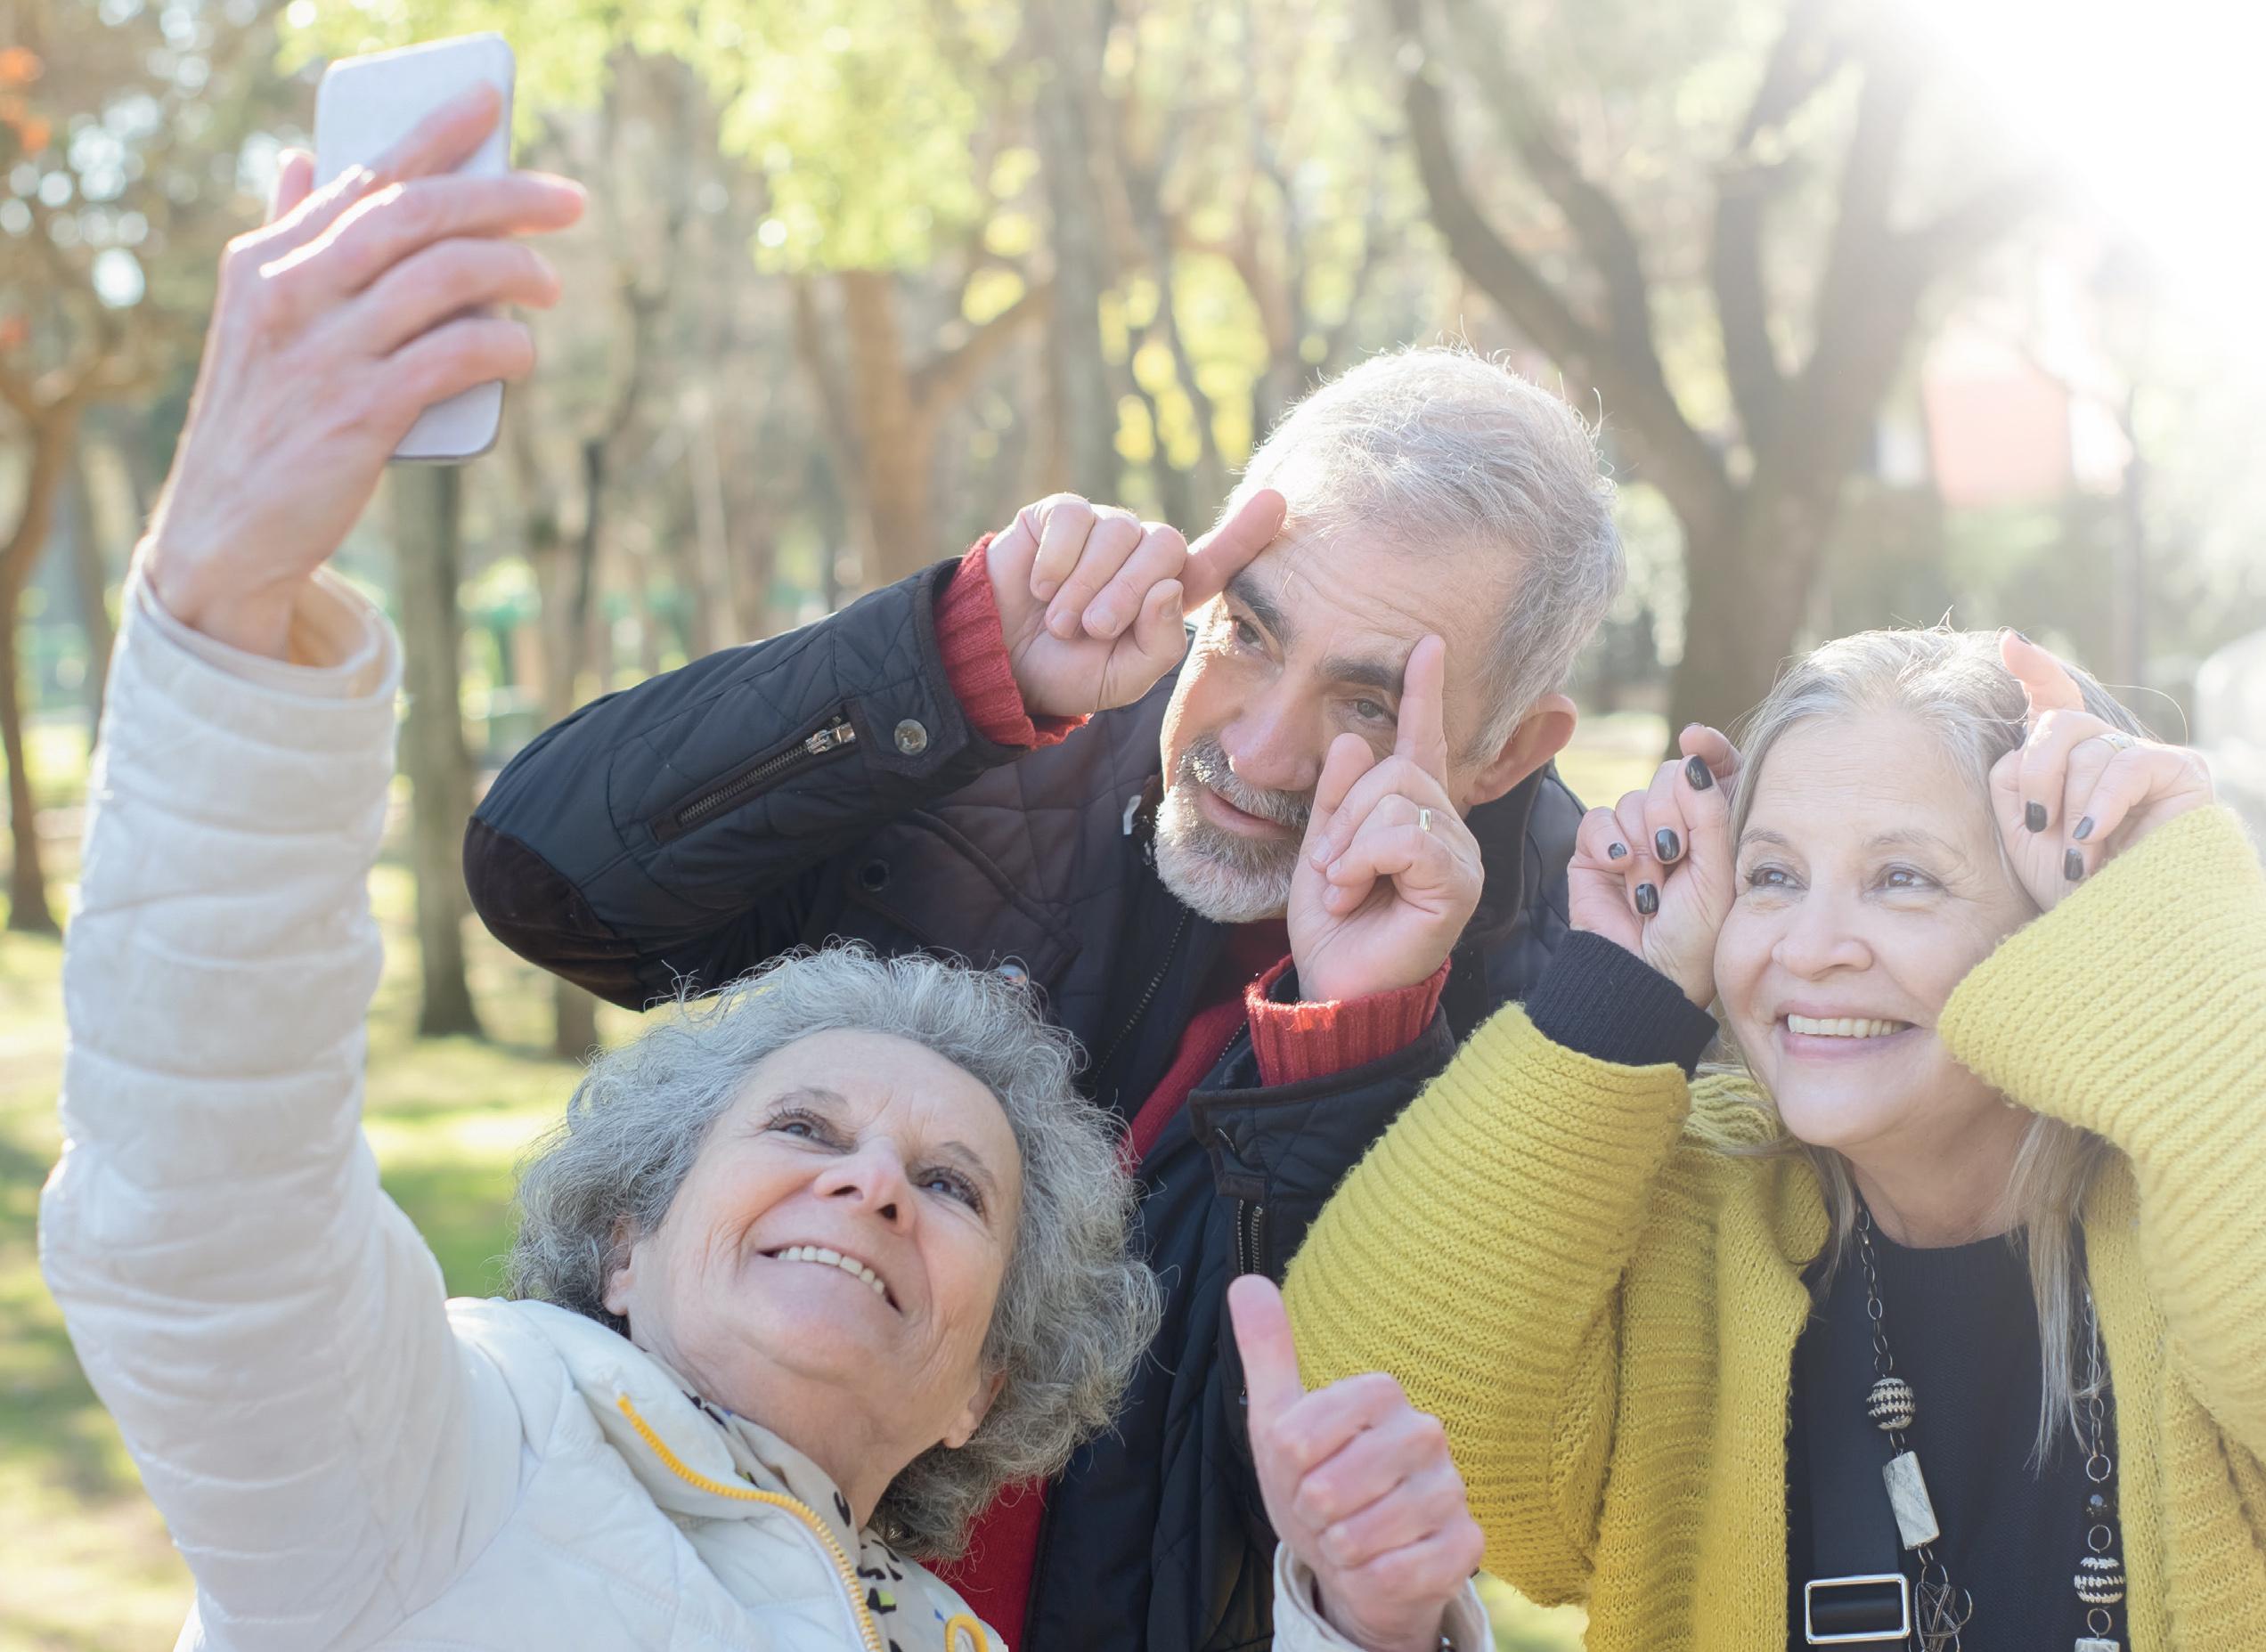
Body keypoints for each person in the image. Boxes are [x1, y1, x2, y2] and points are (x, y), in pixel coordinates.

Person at [37, 88, 1495, 1652]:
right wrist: (221, 595)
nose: (869, 1182)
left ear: (981, 1389)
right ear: (625, 1239)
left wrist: (1369, 1626)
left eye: (949, 1189)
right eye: (802, 1124)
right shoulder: (441, 1467)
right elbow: (199, 1217)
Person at [465, 343, 1625, 1640]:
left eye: (1365, 699)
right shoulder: (1007, 723)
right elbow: (548, 882)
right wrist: (950, 660)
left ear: (1508, 748)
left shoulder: (1575, 1008)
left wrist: (1347, 1048)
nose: (1254, 746)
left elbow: (1333, 1486)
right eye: (1246, 629)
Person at [1281, 624, 2266, 1649]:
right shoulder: (1696, 1207)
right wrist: (1617, 1000)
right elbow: (1370, 1404)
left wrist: (2171, 924)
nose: (1807, 948)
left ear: (2064, 920)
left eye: (1903, 879)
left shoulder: (2203, 1200)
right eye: (1774, 876)